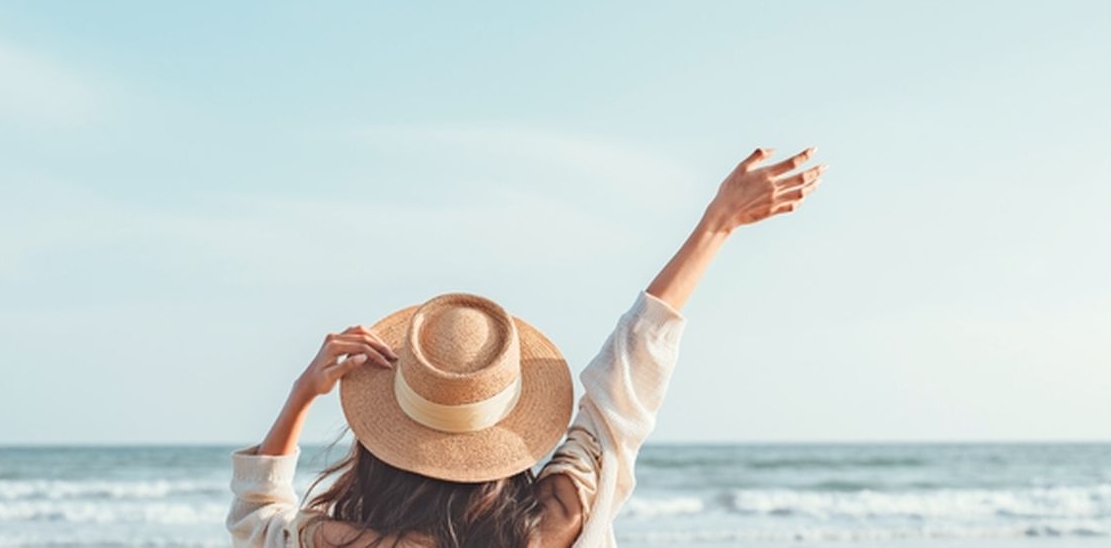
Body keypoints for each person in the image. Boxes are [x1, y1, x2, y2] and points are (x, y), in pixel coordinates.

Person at [228, 147, 827, 548]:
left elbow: (256, 516)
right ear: (507, 425)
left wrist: (301, 394)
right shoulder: (562, 522)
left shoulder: (331, 540)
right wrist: (718, 223)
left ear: (384, 440)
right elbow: (628, 376)